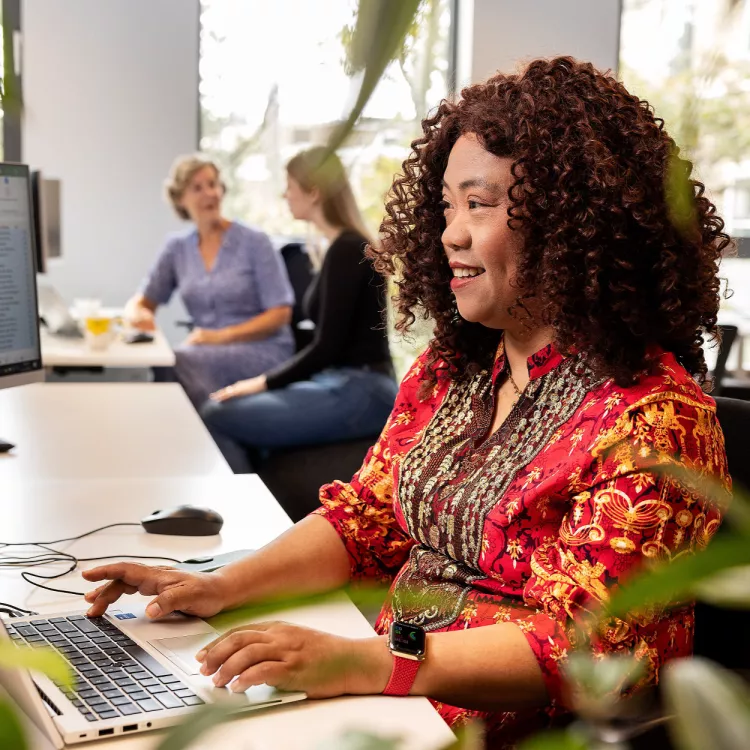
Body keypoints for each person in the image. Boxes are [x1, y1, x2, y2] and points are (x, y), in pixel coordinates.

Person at [83, 58, 730, 747]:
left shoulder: (655, 420)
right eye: (446, 205)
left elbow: (586, 650)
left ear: (573, 223)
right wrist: (219, 585)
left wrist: (363, 661)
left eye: (479, 205)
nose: (450, 232)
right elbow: (365, 522)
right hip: (388, 696)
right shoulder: (451, 374)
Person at [200, 147, 397, 473]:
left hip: (363, 389)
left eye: (290, 186)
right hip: (341, 382)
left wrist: (261, 382)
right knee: (230, 409)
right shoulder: (337, 247)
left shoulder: (347, 249)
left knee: (215, 414)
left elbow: (326, 348)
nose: (285, 194)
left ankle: (245, 513)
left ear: (314, 192)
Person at [125, 154, 295, 407]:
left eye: (213, 184)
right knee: (167, 361)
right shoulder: (177, 248)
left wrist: (219, 336)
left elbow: (281, 313)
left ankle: (194, 439)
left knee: (176, 362)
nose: (210, 193)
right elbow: (143, 300)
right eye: (197, 188)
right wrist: (137, 312)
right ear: (180, 198)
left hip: (264, 349)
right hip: (206, 350)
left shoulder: (254, 242)